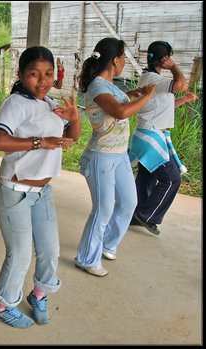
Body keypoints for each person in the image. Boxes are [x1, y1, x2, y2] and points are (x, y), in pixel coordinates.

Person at [0, 46, 80, 329]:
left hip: (42, 192)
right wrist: (40, 142)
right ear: (20, 75)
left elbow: (70, 139)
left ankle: (38, 294)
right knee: (20, 253)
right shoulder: (15, 103)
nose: (43, 81)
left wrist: (74, 119)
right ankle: (4, 306)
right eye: (34, 74)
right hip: (14, 190)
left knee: (50, 250)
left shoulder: (51, 103)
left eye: (49, 74)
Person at [74, 37, 155, 277]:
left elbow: (118, 101)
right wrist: (146, 97)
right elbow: (119, 112)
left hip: (118, 155)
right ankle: (86, 258)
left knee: (128, 202)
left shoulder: (110, 85)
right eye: (123, 57)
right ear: (116, 60)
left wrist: (133, 93)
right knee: (103, 209)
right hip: (101, 156)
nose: (124, 62)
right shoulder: (99, 86)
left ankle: (107, 245)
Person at [129, 41, 198, 235]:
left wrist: (184, 100)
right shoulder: (153, 78)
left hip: (150, 134)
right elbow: (181, 84)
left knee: (146, 178)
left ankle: (136, 215)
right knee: (171, 179)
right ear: (165, 58)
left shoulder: (153, 78)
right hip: (151, 136)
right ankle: (147, 215)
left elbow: (163, 106)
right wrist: (174, 67)